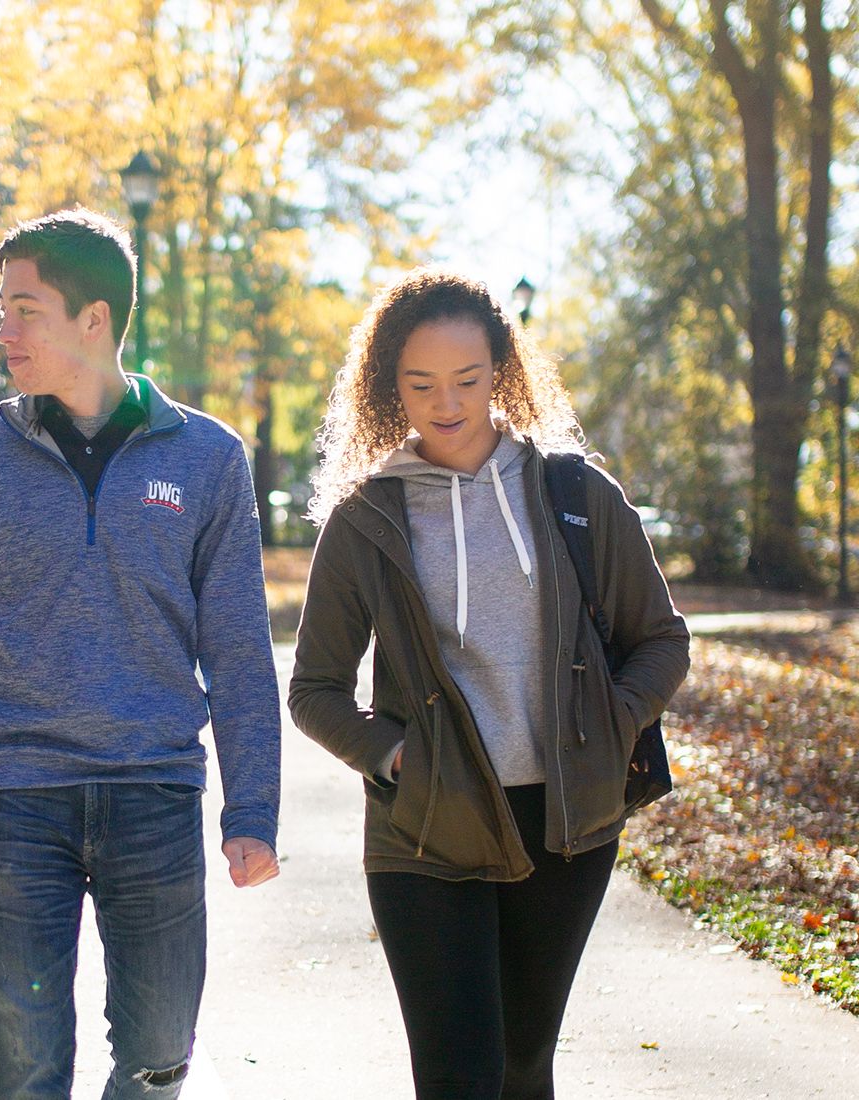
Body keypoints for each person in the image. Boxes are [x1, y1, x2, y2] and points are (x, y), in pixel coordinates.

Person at [0, 207, 282, 1099]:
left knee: (162, 1056)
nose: (1, 329)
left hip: (156, 791)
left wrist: (253, 809)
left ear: (94, 319)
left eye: (24, 309)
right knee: (24, 1068)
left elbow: (241, 649)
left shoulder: (208, 457)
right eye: (0, 307)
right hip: (17, 795)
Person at [289, 268, 690, 1100]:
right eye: (421, 383)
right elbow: (317, 687)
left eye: (467, 380)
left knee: (520, 1066)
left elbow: (661, 640)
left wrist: (607, 726)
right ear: (387, 386)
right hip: (429, 823)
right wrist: (397, 760)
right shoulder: (366, 517)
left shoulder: (575, 494)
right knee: (456, 1076)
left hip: (565, 819)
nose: (446, 402)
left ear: (501, 371)